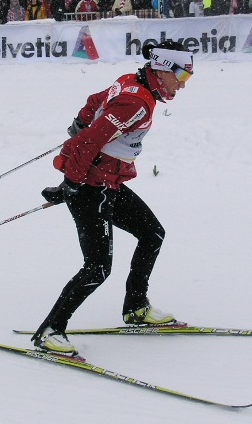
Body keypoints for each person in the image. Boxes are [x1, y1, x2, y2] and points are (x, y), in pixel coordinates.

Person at [32, 41, 193, 355]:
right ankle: (51, 331)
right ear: (162, 69)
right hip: (91, 187)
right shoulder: (138, 103)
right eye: (182, 76)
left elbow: (96, 101)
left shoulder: (130, 82)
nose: (182, 85)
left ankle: (136, 307)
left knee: (152, 234)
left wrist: (83, 117)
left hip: (109, 183)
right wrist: (72, 184)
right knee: (97, 268)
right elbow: (86, 143)